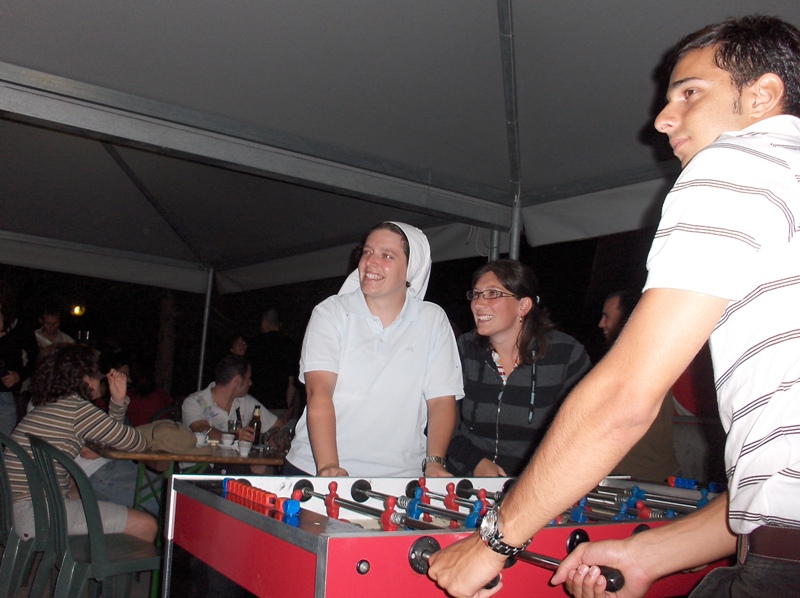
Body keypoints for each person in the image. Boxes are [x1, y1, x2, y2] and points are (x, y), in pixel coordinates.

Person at [427, 15, 800, 598]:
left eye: (689, 93)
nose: (662, 119)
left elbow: (624, 400)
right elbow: (781, 492)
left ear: (762, 95)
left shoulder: (734, 164)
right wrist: (646, 554)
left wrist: (493, 542)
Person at [284, 221, 463, 477]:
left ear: (411, 268)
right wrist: (328, 466)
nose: (370, 262)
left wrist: (434, 462)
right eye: (367, 252)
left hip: (402, 475)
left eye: (386, 255)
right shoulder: (331, 312)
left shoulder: (432, 320)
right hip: (316, 468)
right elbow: (319, 391)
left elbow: (441, 400)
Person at [446, 259, 591, 477]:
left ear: (523, 306)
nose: (478, 303)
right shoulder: (464, 350)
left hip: (539, 481)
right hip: (468, 479)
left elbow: (586, 427)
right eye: (476, 294)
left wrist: (536, 474)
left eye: (493, 294)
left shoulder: (565, 355)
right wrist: (475, 462)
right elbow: (437, 416)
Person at [6, 343, 157, 543]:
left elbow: (106, 440)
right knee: (146, 524)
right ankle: (101, 562)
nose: (100, 379)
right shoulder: (76, 409)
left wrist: (117, 403)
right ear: (82, 377)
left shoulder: (48, 404)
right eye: (95, 374)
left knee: (81, 490)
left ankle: (83, 559)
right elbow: (136, 443)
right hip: (37, 514)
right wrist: (118, 401)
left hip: (15, 508)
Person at [601, 290, 680, 482]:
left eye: (607, 316)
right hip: (645, 476)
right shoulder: (651, 357)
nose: (601, 324)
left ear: (628, 319)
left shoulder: (639, 363)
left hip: (643, 481)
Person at [182, 354, 279, 444]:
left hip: (237, 457)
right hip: (202, 457)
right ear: (237, 380)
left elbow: (278, 426)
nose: (250, 383)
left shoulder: (246, 401)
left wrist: (267, 437)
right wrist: (235, 436)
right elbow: (202, 429)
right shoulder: (195, 402)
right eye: (248, 378)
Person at [247, 308, 298, 417]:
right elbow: (292, 381)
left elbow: (246, 375)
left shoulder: (254, 344)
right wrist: (287, 405)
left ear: (264, 323)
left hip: (255, 405)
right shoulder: (290, 345)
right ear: (279, 324)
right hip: (279, 406)